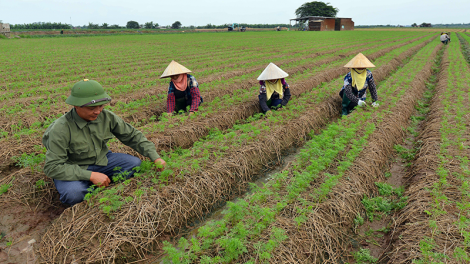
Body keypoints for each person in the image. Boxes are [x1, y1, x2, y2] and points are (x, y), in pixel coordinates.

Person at [42, 79, 166, 206]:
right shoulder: (60, 129)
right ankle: (87, 186)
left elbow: (132, 136)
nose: (98, 111)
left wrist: (155, 157)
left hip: (102, 161)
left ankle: (98, 183)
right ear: (76, 105)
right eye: (92, 108)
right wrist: (90, 175)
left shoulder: (106, 117)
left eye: (101, 106)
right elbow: (53, 167)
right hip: (73, 168)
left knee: (135, 164)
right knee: (74, 194)